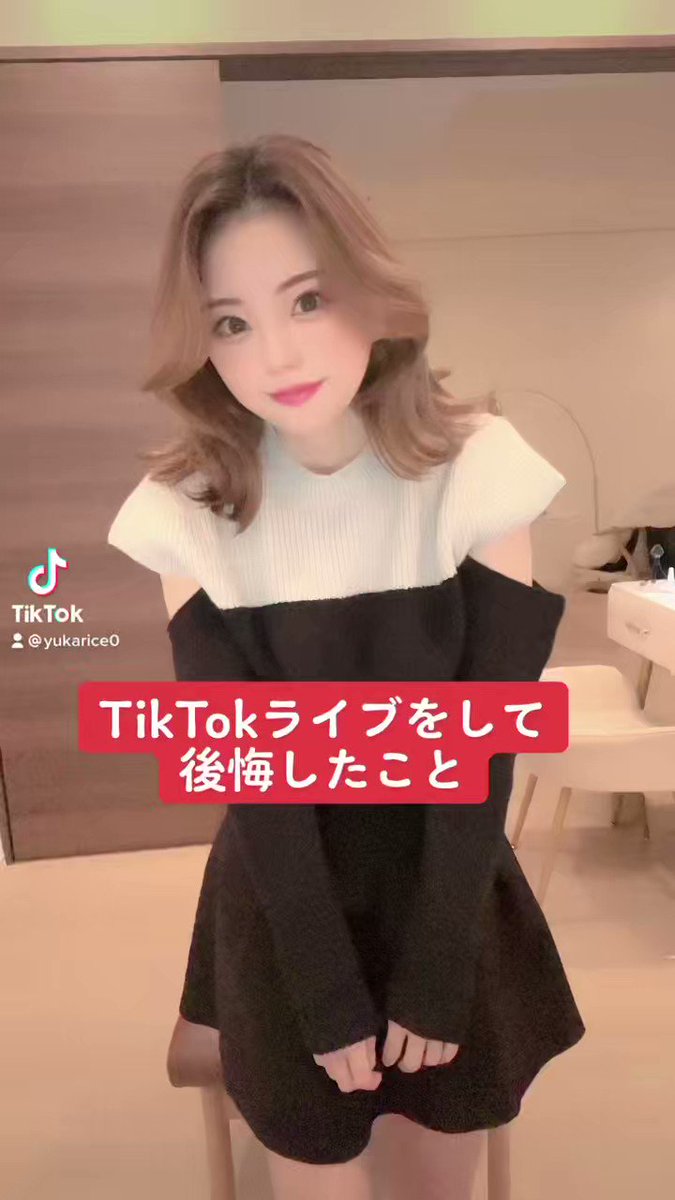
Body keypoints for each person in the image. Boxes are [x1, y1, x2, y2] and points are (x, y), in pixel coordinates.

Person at [107, 134, 585, 1199]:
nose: (276, 355)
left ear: (370, 292)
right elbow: (254, 775)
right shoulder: (185, 509)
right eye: (231, 322)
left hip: (445, 879)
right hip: (286, 898)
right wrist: (321, 987)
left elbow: (483, 747)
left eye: (308, 299)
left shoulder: (477, 467)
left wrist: (440, 962)